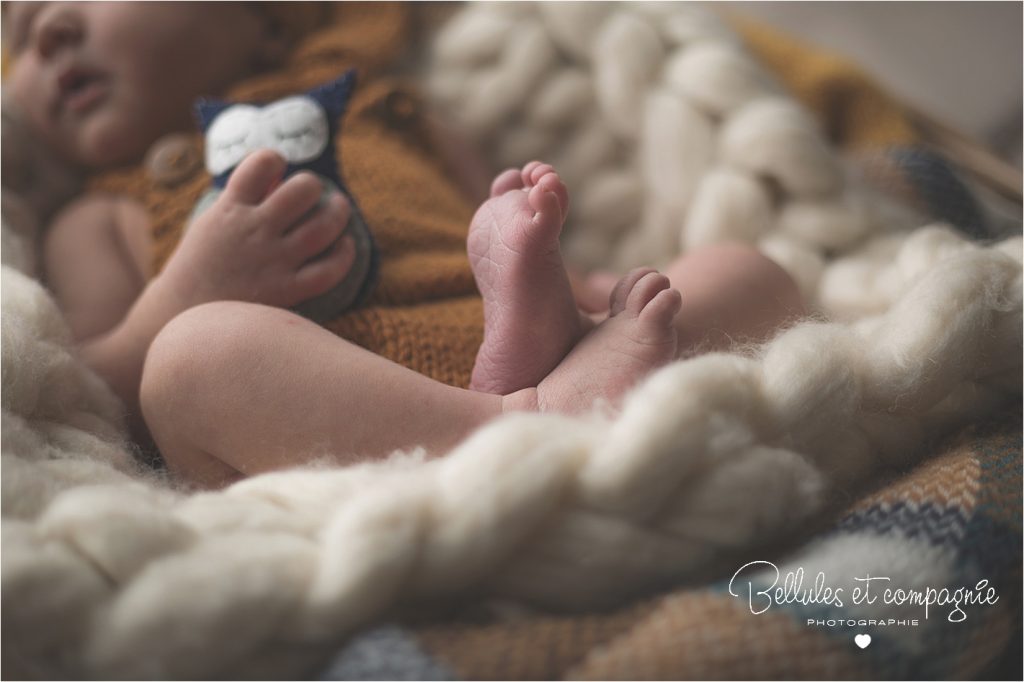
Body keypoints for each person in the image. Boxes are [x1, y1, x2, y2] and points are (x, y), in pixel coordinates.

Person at [6, 2, 805, 489]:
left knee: (748, 271)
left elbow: (489, 226)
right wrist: (187, 289)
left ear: (264, 17)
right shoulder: (99, 215)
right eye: (21, 31)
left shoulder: (386, 108)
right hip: (334, 418)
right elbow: (93, 392)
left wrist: (586, 290)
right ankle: (520, 417)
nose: (45, 35)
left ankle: (550, 377)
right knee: (187, 359)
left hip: (513, 338)